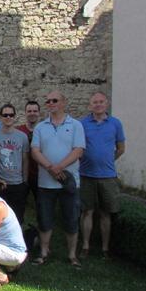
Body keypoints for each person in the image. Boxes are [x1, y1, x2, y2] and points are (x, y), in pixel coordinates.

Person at [31, 90, 85, 268]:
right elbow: (35, 151)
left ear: (63, 102)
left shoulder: (76, 125)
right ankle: (44, 252)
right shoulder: (40, 127)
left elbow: (78, 150)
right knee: (45, 219)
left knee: (71, 219)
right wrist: (50, 167)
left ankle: (72, 255)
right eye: (48, 101)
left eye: (54, 100)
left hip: (68, 182)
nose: (51, 103)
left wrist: (59, 167)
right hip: (46, 183)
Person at [79, 92, 126, 259]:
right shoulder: (82, 124)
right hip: (86, 174)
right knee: (87, 212)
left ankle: (105, 248)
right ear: (90, 105)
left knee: (106, 213)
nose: (98, 105)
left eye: (101, 102)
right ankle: (85, 246)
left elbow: (121, 148)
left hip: (107, 175)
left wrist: (107, 160)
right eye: (95, 102)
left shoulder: (115, 123)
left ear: (106, 104)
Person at [0, 103, 30, 226]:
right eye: (5, 115)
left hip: (18, 183)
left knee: (18, 218)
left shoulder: (22, 137)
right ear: (0, 117)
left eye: (11, 115)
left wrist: (25, 181)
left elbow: (25, 159)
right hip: (1, 183)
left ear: (15, 117)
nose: (8, 117)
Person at [16, 100, 41, 208]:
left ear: (39, 113)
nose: (32, 113)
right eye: (29, 111)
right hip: (21, 174)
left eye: (35, 111)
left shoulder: (44, 130)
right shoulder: (18, 131)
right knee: (19, 204)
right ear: (25, 113)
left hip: (39, 173)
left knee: (41, 204)